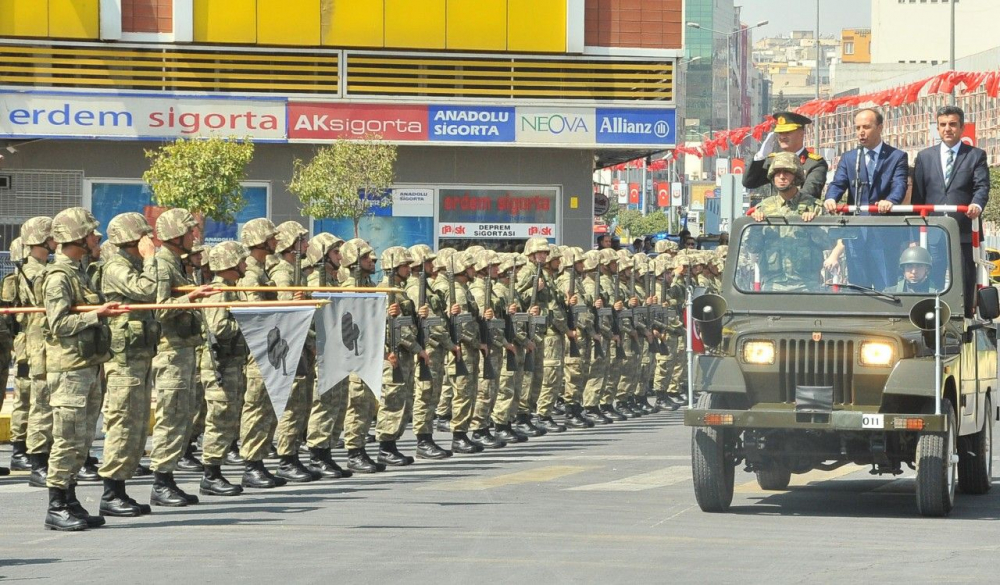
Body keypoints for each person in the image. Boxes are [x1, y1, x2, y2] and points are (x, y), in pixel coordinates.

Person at [40, 207, 129, 531]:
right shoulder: (59, 277)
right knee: (66, 439)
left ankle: (70, 498)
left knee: (82, 440)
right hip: (69, 371)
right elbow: (59, 324)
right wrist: (97, 315)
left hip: (88, 368)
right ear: (76, 237)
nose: (97, 237)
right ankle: (56, 505)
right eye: (91, 233)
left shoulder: (80, 272)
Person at [149, 209, 216, 506]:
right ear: (176, 236)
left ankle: (168, 478)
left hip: (184, 349)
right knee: (171, 416)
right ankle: (161, 482)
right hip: (171, 352)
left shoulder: (177, 264)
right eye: (190, 232)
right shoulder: (162, 266)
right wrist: (191, 298)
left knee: (182, 417)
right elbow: (158, 309)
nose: (194, 236)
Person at [97, 213, 159, 517]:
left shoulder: (132, 265)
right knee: (122, 423)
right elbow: (148, 290)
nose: (150, 241)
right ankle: (111, 492)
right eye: (145, 236)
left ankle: (121, 488)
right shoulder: (117, 267)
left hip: (139, 356)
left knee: (135, 425)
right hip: (123, 361)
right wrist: (150, 259)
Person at [911, 105, 991, 316]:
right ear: (937, 128)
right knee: (934, 279)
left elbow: (982, 187)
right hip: (933, 233)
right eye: (943, 125)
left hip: (964, 230)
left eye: (953, 124)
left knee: (964, 277)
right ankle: (935, 320)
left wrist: (976, 204)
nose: (948, 129)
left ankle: (964, 318)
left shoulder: (975, 155)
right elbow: (918, 197)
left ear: (962, 127)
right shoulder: (925, 157)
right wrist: (913, 235)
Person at [823, 108, 910, 290]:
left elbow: (899, 185)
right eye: (858, 127)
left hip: (884, 232)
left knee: (886, 286)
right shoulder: (849, 158)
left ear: (879, 128)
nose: (861, 132)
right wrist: (831, 198)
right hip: (856, 234)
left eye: (866, 127)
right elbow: (838, 183)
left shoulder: (896, 157)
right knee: (857, 286)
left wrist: (891, 201)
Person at [748, 152, 829, 291]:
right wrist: (756, 226)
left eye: (787, 172)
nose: (781, 176)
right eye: (777, 172)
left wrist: (812, 226)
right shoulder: (763, 207)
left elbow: (828, 242)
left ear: (796, 176)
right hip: (772, 284)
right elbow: (752, 247)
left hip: (807, 285)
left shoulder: (814, 206)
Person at [743, 111, 829, 201]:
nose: (782, 137)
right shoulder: (773, 160)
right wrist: (760, 156)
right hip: (776, 213)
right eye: (780, 133)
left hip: (803, 212)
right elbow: (749, 182)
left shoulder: (814, 163)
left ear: (801, 134)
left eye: (787, 132)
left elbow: (810, 192)